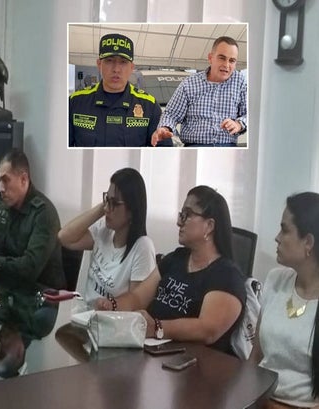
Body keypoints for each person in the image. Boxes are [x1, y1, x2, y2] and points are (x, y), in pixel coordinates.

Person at [102, 186, 246, 356]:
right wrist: (112, 306)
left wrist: (157, 327)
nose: (179, 222)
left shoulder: (227, 275)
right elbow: (138, 298)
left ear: (209, 226)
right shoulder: (175, 258)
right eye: (181, 214)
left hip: (192, 363)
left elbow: (207, 330)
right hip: (150, 352)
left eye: (187, 215)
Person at [251, 192, 319, 408]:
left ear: (308, 242)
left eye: (285, 229)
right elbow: (256, 355)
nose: (277, 237)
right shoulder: (276, 279)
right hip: (257, 400)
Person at [0, 149, 64, 293]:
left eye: (6, 180)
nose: (1, 188)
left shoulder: (43, 213)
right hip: (8, 287)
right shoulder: (3, 206)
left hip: (38, 294)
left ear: (23, 179)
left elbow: (30, 268)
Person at [58, 168, 157, 308]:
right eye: (107, 199)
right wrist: (101, 208)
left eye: (115, 203)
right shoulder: (104, 229)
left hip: (110, 319)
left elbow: (136, 305)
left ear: (132, 210)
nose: (107, 209)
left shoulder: (142, 247)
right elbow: (64, 238)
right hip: (85, 313)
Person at [68, 33, 169, 147]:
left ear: (131, 67)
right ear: (99, 64)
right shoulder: (76, 102)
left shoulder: (149, 106)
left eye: (123, 62)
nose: (116, 69)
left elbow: (163, 150)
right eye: (109, 60)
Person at [151, 36, 247, 147]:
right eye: (222, 58)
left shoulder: (240, 82)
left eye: (232, 61)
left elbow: (250, 114)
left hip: (228, 147)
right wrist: (165, 128)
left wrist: (238, 124)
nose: (226, 65)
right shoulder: (190, 83)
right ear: (210, 58)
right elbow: (171, 114)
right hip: (195, 146)